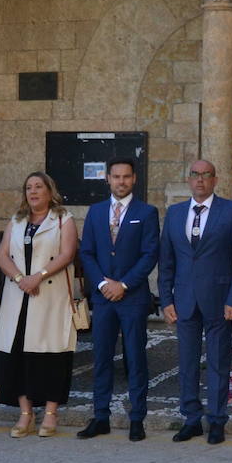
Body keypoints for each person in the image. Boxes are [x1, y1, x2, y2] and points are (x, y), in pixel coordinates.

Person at [159, 159, 232, 445]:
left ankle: (218, 419)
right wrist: (166, 299)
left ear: (215, 180)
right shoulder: (174, 213)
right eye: (195, 175)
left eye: (206, 175)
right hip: (184, 299)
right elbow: (167, 261)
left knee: (220, 362)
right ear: (189, 179)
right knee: (187, 362)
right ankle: (191, 419)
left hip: (219, 300)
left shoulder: (230, 211)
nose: (200, 180)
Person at [77, 157, 160, 442]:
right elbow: (86, 252)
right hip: (103, 299)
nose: (121, 181)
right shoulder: (96, 211)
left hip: (132, 297)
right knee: (101, 358)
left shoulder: (147, 212)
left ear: (134, 179)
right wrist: (102, 283)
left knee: (135, 358)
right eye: (116, 177)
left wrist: (123, 284)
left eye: (126, 177)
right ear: (108, 179)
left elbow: (150, 253)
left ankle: (137, 418)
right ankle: (101, 416)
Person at [0, 172, 79, 438]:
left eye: (38, 187)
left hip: (48, 296)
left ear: (49, 190)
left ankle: (51, 413)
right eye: (29, 188)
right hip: (19, 296)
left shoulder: (64, 219)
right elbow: (2, 254)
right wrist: (20, 279)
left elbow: (67, 254)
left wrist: (37, 277)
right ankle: (25, 413)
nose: (33, 192)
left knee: (51, 355)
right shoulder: (16, 221)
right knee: (18, 354)